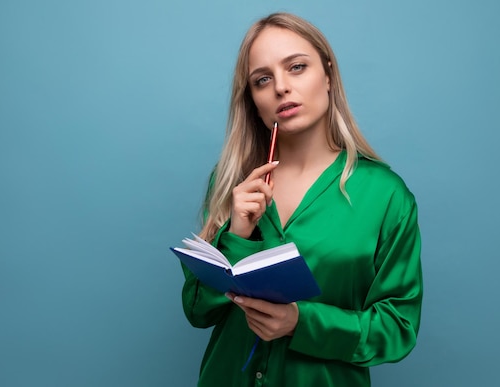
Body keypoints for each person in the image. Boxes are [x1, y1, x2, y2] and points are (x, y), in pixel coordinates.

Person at [180, 12, 422, 386]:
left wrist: (300, 322)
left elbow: (398, 327)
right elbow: (198, 311)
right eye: (263, 79)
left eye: (296, 67)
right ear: (253, 100)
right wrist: (237, 233)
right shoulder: (231, 182)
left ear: (328, 73)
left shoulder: (386, 196)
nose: (281, 87)